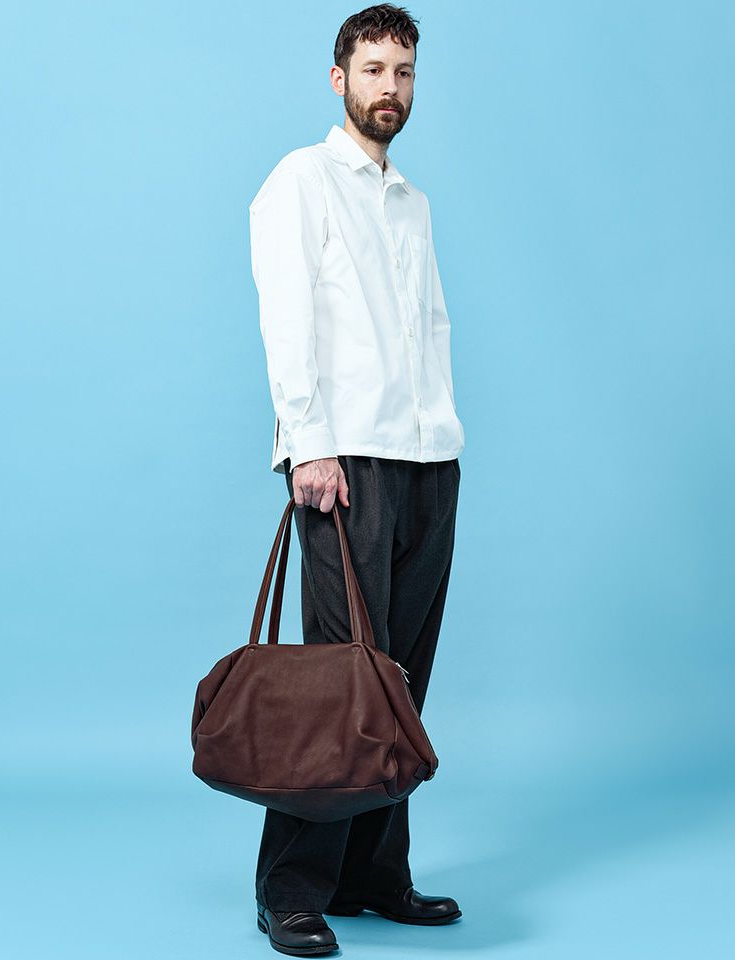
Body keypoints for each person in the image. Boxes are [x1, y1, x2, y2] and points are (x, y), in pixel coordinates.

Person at [248, 4, 464, 954]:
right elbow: (287, 317)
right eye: (374, 70)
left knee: (401, 682)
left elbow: (430, 330)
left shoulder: (413, 203)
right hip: (345, 465)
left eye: (403, 72)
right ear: (340, 79)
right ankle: (292, 887)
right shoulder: (301, 180)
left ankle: (377, 874)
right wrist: (308, 444)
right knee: (342, 681)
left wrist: (444, 439)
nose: (391, 88)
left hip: (428, 462)